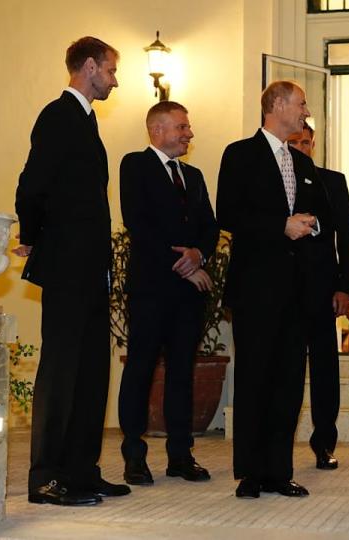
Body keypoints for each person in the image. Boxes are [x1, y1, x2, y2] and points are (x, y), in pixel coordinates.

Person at [13, 36, 129, 506]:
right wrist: (33, 236)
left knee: (91, 371)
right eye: (111, 69)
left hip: (91, 267)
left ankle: (81, 470)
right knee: (62, 371)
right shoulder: (57, 115)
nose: (115, 79)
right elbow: (32, 183)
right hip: (65, 264)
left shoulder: (87, 121)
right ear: (88, 67)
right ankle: (45, 477)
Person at [216, 80, 334, 499]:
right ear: (278, 104)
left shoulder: (302, 163)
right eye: (301, 103)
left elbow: (325, 213)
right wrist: (279, 226)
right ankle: (250, 472)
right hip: (255, 290)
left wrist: (312, 224)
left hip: (297, 292)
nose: (305, 111)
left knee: (288, 382)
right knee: (254, 379)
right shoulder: (240, 154)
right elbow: (227, 213)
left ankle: (279, 471)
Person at [118, 101, 219, 486]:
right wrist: (182, 266)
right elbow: (137, 225)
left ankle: (181, 455)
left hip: (188, 295)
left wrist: (199, 255)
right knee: (140, 369)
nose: (189, 133)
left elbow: (210, 227)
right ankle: (133, 455)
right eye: (182, 127)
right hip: (150, 289)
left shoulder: (193, 176)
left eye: (188, 127)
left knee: (182, 373)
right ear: (157, 130)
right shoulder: (135, 165)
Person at [286, 122, 349, 470]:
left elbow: (346, 237)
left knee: (325, 370)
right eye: (293, 142)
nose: (300, 147)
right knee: (287, 369)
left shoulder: (333, 181)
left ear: (314, 143)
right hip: (284, 293)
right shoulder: (276, 181)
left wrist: (346, 286)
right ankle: (280, 444)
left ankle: (324, 443)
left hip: (323, 290)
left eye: (305, 141)